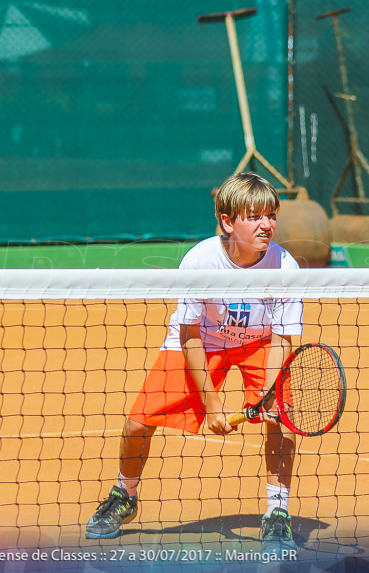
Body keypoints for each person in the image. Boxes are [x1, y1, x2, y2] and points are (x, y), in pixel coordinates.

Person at [85, 171, 303, 554]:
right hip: (203, 340)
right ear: (227, 221)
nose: (266, 225)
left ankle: (277, 514)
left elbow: (283, 338)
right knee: (137, 423)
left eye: (271, 215)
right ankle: (124, 494)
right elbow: (189, 336)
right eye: (254, 217)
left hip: (261, 342)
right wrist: (213, 405)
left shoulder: (285, 267)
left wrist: (267, 394)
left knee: (280, 420)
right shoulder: (200, 261)